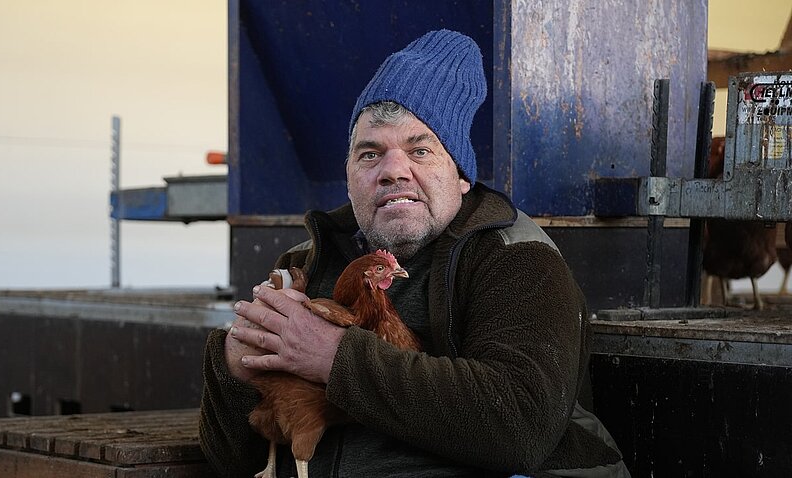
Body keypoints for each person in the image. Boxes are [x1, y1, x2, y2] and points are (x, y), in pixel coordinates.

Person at [198, 29, 630, 477]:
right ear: (348, 176)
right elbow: (232, 458)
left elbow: (520, 426)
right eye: (370, 154)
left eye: (419, 150)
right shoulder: (306, 263)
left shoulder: (516, 259)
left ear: (460, 175)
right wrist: (233, 363)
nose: (393, 171)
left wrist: (334, 355)